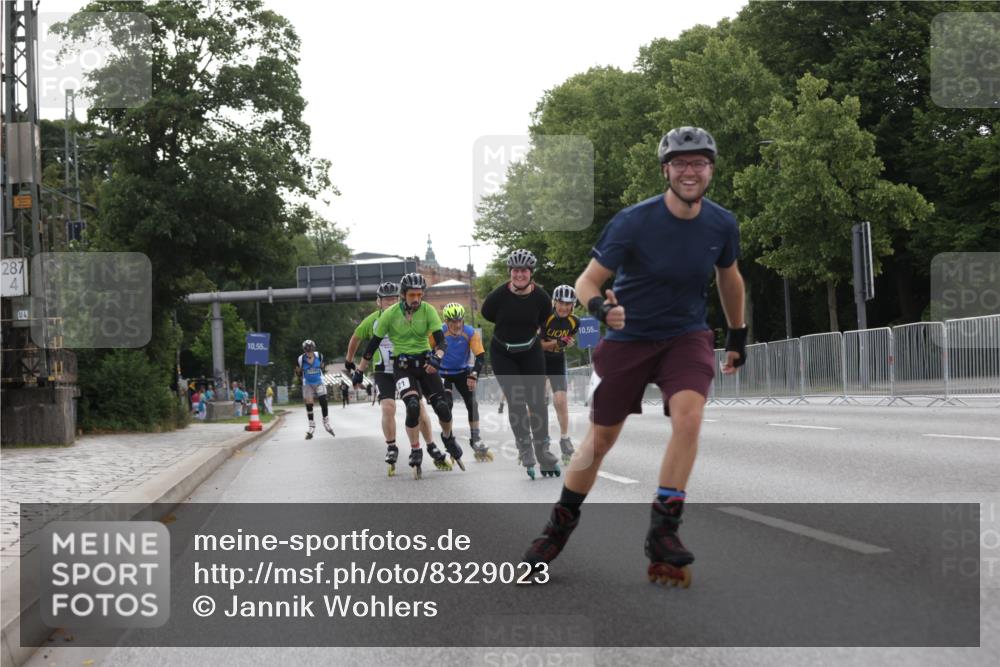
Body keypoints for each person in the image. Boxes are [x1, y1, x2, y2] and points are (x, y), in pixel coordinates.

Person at [522, 127, 748, 587]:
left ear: (711, 170)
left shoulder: (721, 224)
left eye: (699, 163)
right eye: (680, 163)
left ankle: (664, 531)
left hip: (685, 337)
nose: (690, 171)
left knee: (689, 417)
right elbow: (587, 281)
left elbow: (729, 277)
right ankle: (556, 529)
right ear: (666, 170)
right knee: (599, 441)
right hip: (629, 340)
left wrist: (738, 334)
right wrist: (601, 309)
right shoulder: (633, 222)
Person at [359, 273, 462, 479]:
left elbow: (441, 342)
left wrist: (437, 357)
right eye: (412, 295)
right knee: (413, 406)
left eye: (419, 295)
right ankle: (416, 449)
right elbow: (372, 345)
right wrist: (359, 371)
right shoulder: (390, 314)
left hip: (426, 364)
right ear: (403, 295)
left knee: (442, 407)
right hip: (403, 366)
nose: (416, 299)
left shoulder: (428, 310)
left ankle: (448, 438)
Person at [345, 281, 441, 477]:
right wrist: (349, 361)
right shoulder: (373, 320)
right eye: (386, 300)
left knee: (418, 407)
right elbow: (356, 338)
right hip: (384, 371)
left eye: (393, 299)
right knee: (388, 407)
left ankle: (431, 445)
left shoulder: (408, 315)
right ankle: (391, 446)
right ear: (378, 302)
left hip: (406, 368)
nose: (390, 303)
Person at [481, 249, 559, 479]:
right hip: (503, 353)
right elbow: (487, 313)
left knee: (537, 401)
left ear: (531, 273)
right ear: (510, 272)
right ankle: (525, 448)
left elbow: (544, 320)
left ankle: (543, 450)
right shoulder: (498, 296)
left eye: (524, 271)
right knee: (516, 399)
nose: (519, 275)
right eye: (515, 271)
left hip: (531, 351)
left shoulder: (542, 298)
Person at [434, 303, 492, 462]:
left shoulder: (470, 332)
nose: (457, 325)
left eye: (459, 320)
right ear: (446, 321)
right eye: (453, 321)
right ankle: (449, 439)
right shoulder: (438, 332)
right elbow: (427, 351)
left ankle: (476, 438)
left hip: (461, 371)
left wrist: (473, 375)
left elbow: (480, 357)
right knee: (446, 405)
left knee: (472, 403)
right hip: (443, 373)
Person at [541, 285, 581, 464]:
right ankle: (541, 438)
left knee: (561, 401)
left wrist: (566, 343)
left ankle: (565, 439)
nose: (564, 307)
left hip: (557, 360)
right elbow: (538, 344)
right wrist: (558, 343)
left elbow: (566, 341)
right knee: (539, 401)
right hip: (540, 360)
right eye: (561, 303)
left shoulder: (575, 322)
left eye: (568, 304)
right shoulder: (544, 317)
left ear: (573, 305)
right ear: (554, 302)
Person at [296, 339, 335, 438]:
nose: (309, 352)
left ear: (313, 349)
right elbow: (298, 371)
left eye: (311, 350)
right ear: (304, 350)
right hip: (307, 383)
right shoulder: (301, 359)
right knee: (309, 404)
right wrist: (300, 374)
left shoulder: (319, 356)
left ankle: (326, 422)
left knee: (323, 400)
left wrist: (317, 370)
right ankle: (311, 425)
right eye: (307, 350)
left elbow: (322, 366)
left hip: (319, 382)